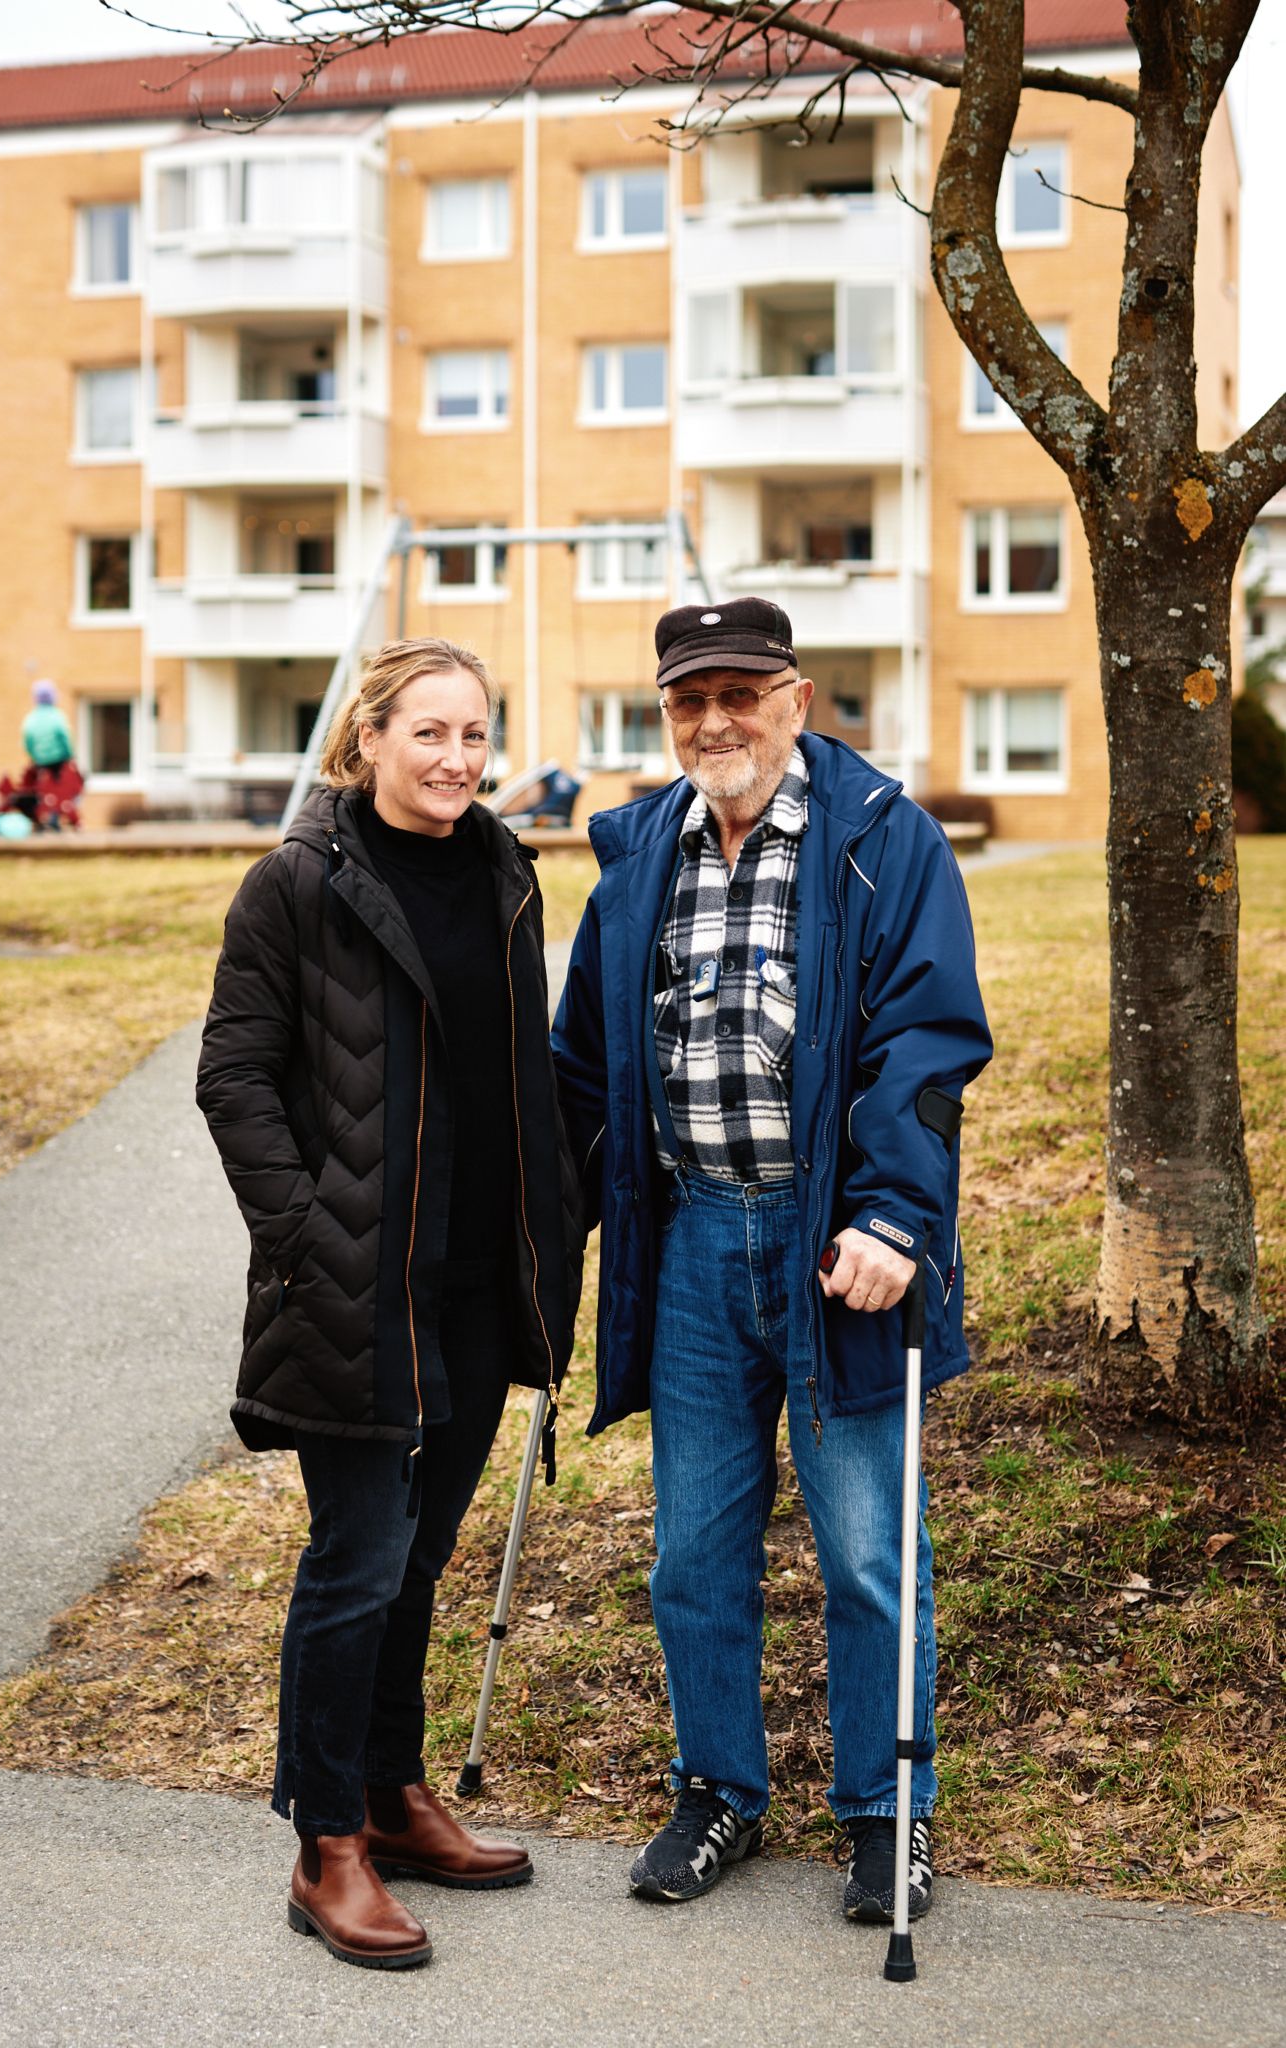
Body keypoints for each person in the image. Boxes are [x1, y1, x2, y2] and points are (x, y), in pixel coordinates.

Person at [551, 597, 992, 1923]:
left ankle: (886, 1811)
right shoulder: (638, 853)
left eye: (739, 694)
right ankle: (716, 1792)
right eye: (689, 700)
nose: (715, 722)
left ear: (795, 699)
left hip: (834, 1241)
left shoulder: (881, 838)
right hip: (691, 1237)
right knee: (692, 1553)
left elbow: (925, 1048)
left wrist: (895, 1218)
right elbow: (586, 1064)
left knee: (866, 1552)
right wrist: (548, 1215)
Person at [197, 637, 583, 1971]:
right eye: (429, 732)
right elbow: (234, 1077)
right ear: (367, 738)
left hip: (479, 1282)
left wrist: (557, 1207)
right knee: (355, 1559)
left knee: (416, 1559)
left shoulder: (503, 869)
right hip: (353, 1285)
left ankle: (391, 1792)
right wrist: (308, 1235)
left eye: (475, 734)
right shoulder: (297, 882)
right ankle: (326, 1843)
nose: (456, 759)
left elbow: (515, 1067)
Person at [21, 679, 75, 769]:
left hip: (39, 764)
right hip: (58, 764)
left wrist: (34, 757)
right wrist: (70, 756)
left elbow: (28, 743)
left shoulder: (30, 719)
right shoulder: (57, 716)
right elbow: (65, 739)